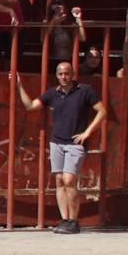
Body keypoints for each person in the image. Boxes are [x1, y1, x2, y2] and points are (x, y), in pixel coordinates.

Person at [17, 60, 105, 235]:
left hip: (75, 143)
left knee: (69, 180)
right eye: (61, 74)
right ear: (57, 76)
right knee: (59, 181)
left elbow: (102, 111)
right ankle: (65, 220)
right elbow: (30, 106)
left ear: (72, 74)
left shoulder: (84, 91)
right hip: (56, 142)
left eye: (67, 73)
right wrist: (19, 85)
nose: (64, 77)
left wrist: (87, 132)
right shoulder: (52, 94)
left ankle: (74, 220)